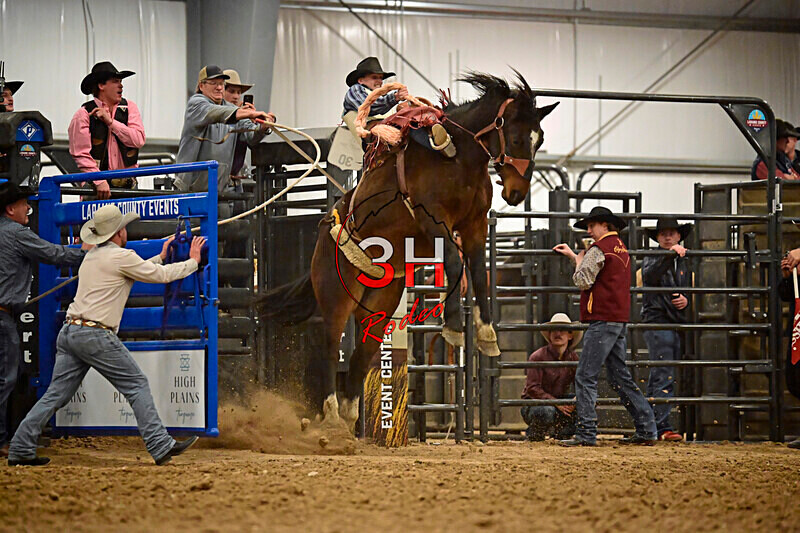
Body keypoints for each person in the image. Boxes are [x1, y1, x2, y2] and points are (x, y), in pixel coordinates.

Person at [8, 205, 205, 466]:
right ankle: (160, 444)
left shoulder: (93, 256)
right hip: (95, 334)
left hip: (71, 331)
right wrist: (193, 261)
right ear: (119, 232)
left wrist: (159, 256)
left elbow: (136, 269)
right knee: (136, 385)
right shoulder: (122, 256)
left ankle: (20, 447)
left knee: (55, 395)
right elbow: (161, 276)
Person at [553, 206, 658, 447]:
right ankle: (647, 427)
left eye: (593, 225)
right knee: (619, 376)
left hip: (601, 319)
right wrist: (576, 257)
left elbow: (583, 280)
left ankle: (587, 432)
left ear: (605, 226)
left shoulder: (598, 249)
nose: (589, 230)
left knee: (585, 375)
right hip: (618, 318)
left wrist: (577, 260)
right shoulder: (621, 249)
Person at [0, 182, 86, 458]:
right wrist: (86, 251)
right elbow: (53, 254)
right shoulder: (16, 233)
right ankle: (1, 439)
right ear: (11, 209)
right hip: (2, 317)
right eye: (24, 203)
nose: (29, 207)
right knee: (6, 378)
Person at [175, 65, 276, 195]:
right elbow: (215, 112)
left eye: (221, 84)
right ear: (201, 86)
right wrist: (247, 113)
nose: (219, 87)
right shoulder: (196, 104)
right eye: (213, 83)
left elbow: (251, 135)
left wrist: (263, 127)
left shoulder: (231, 109)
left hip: (220, 190)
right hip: (191, 191)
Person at [641, 217, 694, 442]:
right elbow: (650, 276)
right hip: (659, 320)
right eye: (663, 233)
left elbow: (691, 287)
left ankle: (651, 425)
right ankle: (661, 426)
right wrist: (672, 254)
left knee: (660, 373)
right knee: (663, 373)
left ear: (679, 235)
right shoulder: (658, 257)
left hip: (671, 320)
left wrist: (687, 299)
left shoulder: (683, 259)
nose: (668, 236)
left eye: (671, 232)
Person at [342, 56, 455, 158]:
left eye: (381, 78)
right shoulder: (355, 89)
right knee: (409, 124)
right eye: (374, 77)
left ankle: (438, 134)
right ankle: (439, 148)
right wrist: (395, 97)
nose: (379, 81)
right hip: (373, 130)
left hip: (387, 123)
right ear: (360, 80)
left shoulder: (380, 95)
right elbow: (369, 106)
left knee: (414, 118)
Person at [68, 62, 146, 199]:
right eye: (115, 81)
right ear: (101, 85)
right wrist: (99, 181)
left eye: (121, 81)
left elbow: (138, 140)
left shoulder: (130, 108)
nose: (121, 85)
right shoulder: (83, 115)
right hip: (97, 189)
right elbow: (81, 154)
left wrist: (111, 122)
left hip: (128, 187)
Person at [520, 313, 582, 441]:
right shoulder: (538, 357)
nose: (557, 333)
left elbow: (581, 383)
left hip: (556, 402)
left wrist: (576, 399)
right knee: (545, 411)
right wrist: (556, 403)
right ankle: (536, 434)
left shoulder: (573, 358)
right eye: (554, 330)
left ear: (570, 336)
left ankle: (562, 433)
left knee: (586, 402)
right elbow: (532, 389)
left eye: (562, 330)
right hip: (535, 403)